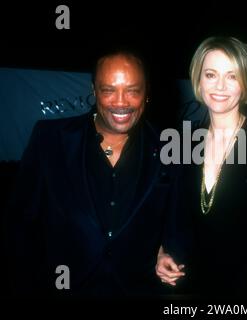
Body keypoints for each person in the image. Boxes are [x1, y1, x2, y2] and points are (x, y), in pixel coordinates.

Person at [5, 48, 173, 297]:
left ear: (147, 92)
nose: (120, 102)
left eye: (132, 90)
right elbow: (20, 224)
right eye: (108, 90)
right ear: (94, 91)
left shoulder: (170, 147)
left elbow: (183, 218)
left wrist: (167, 248)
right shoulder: (50, 139)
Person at [155, 36, 247, 297]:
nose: (220, 86)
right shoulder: (182, 142)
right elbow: (168, 212)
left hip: (243, 288)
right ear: (198, 79)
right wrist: (161, 250)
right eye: (211, 74)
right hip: (186, 285)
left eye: (232, 76)